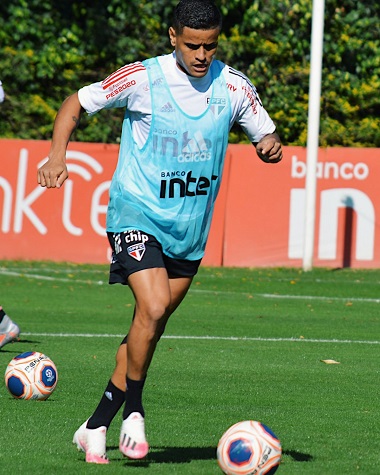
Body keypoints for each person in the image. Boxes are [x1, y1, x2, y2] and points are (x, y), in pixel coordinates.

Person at [37, 0, 283, 465]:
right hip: (137, 214)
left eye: (210, 45)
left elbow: (264, 134)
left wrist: (269, 146)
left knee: (146, 330)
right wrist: (56, 155)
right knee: (150, 307)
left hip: (189, 231)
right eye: (192, 45)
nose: (201, 55)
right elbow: (76, 103)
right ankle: (135, 413)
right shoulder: (141, 79)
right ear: (173, 37)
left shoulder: (232, 86)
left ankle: (93, 427)